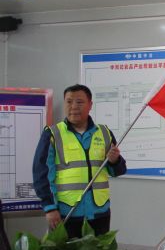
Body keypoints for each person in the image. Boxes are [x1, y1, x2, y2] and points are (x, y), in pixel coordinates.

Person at [32, 84, 126, 238]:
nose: (74, 107)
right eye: (69, 101)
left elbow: (118, 171)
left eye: (80, 102)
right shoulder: (53, 134)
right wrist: (50, 208)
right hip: (67, 213)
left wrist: (115, 161)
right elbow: (41, 175)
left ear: (90, 105)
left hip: (99, 213)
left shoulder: (104, 133)